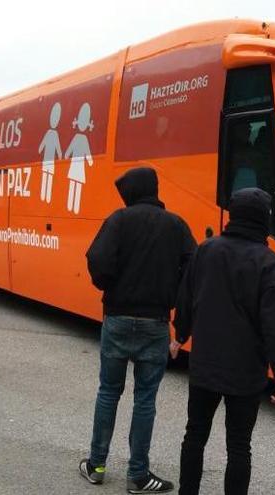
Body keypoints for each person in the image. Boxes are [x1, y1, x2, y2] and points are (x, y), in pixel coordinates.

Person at [171, 187, 275, 495]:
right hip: (245, 372)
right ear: (264, 220)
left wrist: (180, 335)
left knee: (194, 435)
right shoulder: (271, 265)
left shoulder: (206, 250)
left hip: (204, 364)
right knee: (239, 446)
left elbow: (186, 297)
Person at [79, 167, 196, 494]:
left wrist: (109, 284)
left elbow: (96, 259)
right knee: (145, 399)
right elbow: (194, 267)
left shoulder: (117, 220)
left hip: (117, 318)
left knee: (108, 392)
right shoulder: (176, 225)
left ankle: (97, 465)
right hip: (156, 323)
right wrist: (174, 299)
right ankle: (138, 475)